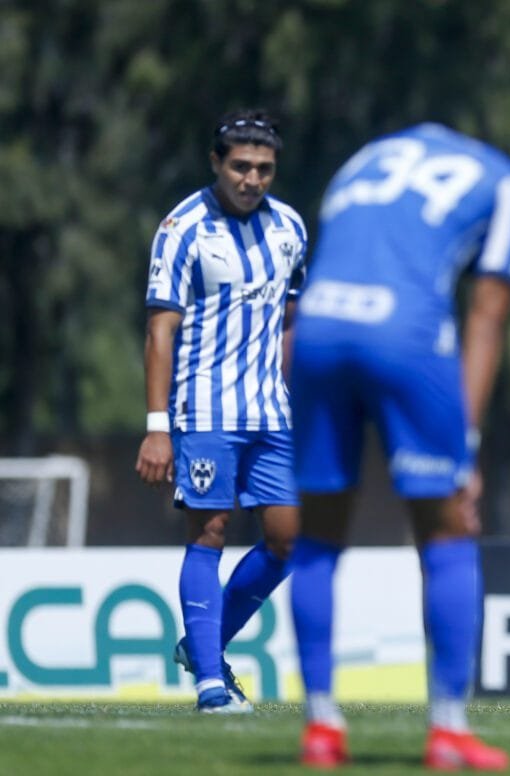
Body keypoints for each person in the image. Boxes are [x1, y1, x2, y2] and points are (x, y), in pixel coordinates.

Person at [287, 122, 510, 769]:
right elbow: (487, 314)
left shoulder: (363, 156)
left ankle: (321, 726)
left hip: (317, 327)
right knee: (447, 528)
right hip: (402, 332)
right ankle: (448, 729)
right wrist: (469, 445)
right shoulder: (509, 180)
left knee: (319, 531)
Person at [135, 109, 307, 714]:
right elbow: (160, 330)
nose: (252, 178)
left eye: (263, 168)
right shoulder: (183, 228)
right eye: (240, 166)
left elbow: (288, 321)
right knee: (209, 530)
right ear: (216, 163)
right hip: (203, 407)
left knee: (291, 537)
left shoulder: (289, 228)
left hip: (272, 412)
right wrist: (158, 428)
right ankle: (211, 683)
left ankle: (202, 644)